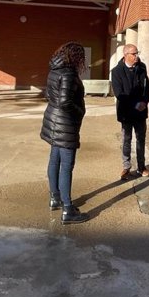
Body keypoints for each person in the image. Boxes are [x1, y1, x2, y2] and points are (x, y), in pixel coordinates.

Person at [40, 42, 89, 225]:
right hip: (65, 124)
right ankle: (68, 209)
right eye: (81, 57)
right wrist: (80, 111)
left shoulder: (55, 69)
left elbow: (49, 95)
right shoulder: (68, 73)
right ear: (75, 57)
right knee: (66, 165)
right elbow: (65, 102)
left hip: (53, 121)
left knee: (55, 160)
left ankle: (55, 198)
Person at [111, 44, 149, 180]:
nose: (136, 56)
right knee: (126, 140)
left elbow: (148, 87)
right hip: (126, 113)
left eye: (137, 53)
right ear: (126, 55)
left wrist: (144, 102)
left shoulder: (142, 67)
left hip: (140, 112)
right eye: (134, 54)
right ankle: (126, 167)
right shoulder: (117, 71)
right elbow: (119, 93)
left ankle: (141, 167)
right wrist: (135, 104)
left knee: (141, 139)